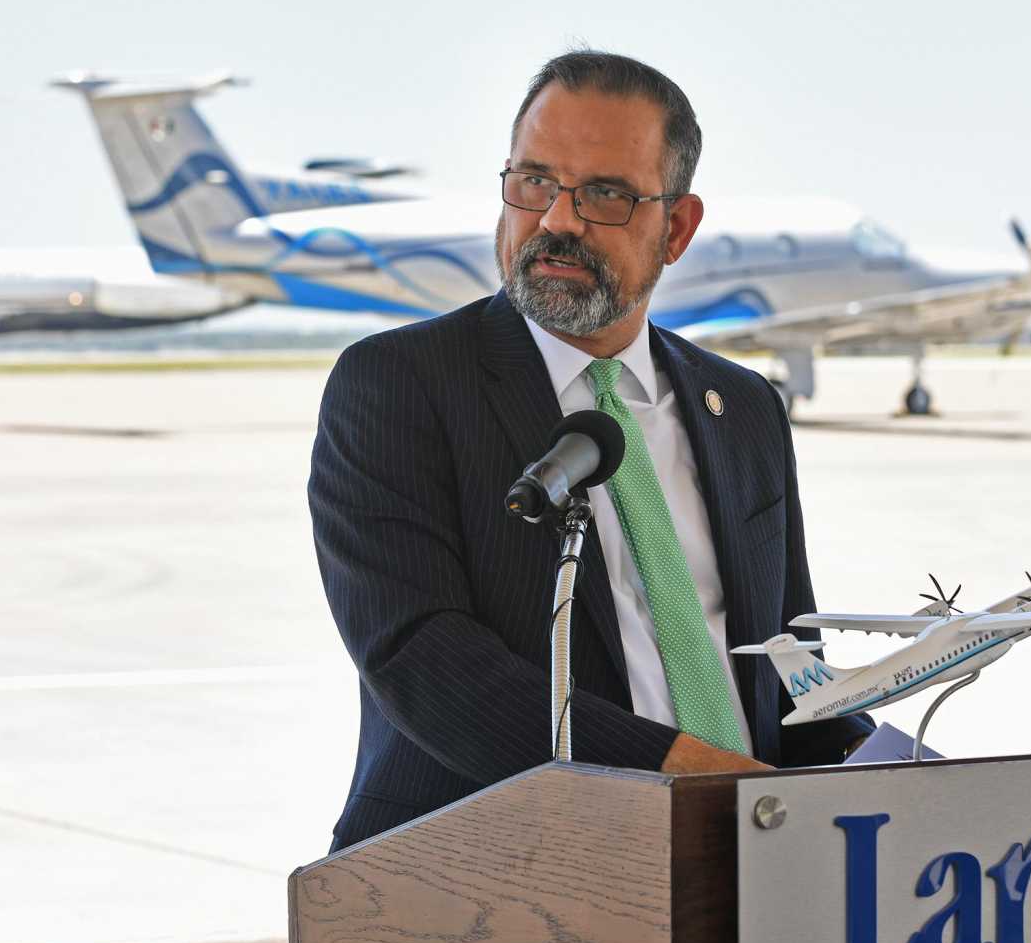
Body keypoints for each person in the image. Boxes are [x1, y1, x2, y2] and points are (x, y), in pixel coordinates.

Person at [308, 49, 869, 851]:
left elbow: (788, 662)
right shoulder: (398, 385)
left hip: (749, 859)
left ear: (676, 227)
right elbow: (421, 657)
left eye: (604, 193)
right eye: (534, 181)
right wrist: (684, 775)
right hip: (494, 868)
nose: (557, 220)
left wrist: (886, 774)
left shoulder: (743, 407)